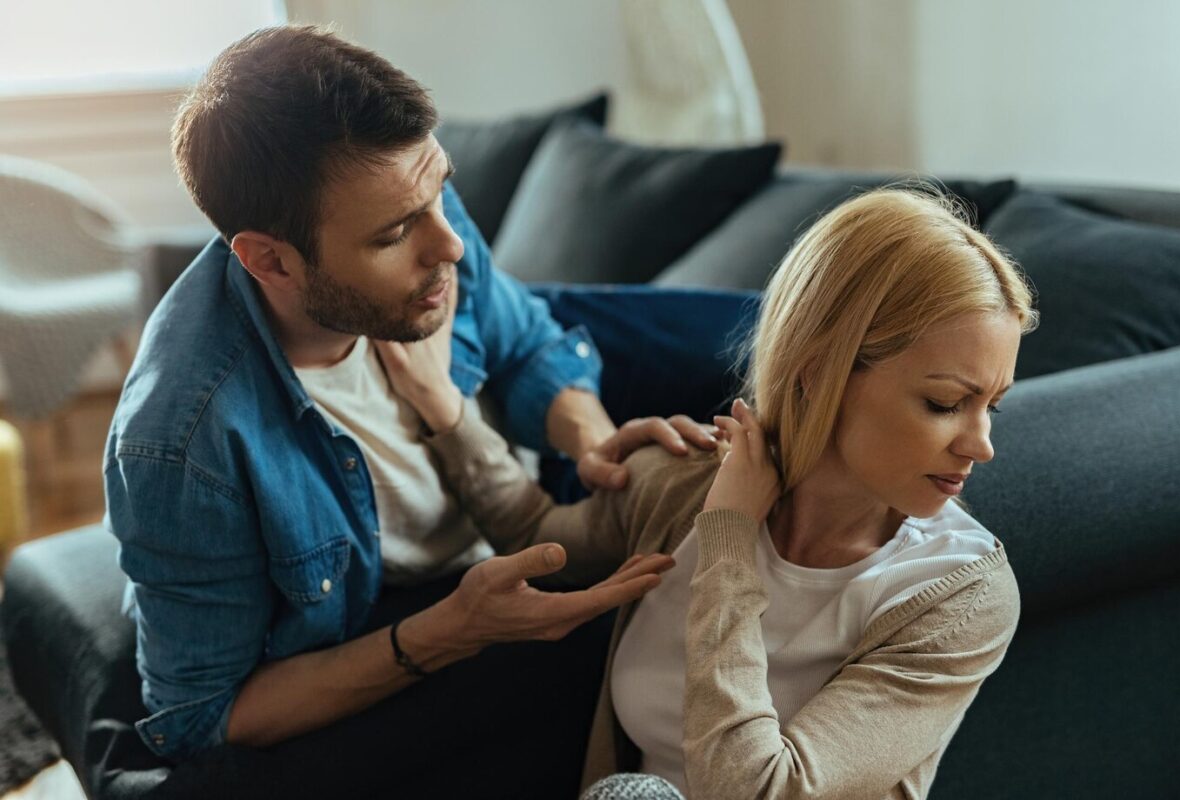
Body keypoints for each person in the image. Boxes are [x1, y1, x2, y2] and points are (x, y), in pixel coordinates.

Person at [104, 25, 714, 794]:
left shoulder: (420, 206)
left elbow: (525, 342)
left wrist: (592, 444)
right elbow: (203, 713)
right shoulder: (183, 443)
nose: (450, 246)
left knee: (788, 333)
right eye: (396, 233)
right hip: (423, 612)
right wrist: (451, 631)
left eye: (440, 195)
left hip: (515, 488)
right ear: (269, 260)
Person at [382, 187, 1039, 799]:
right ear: (819, 376)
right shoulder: (692, 480)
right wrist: (446, 411)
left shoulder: (957, 594)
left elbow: (757, 790)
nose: (980, 444)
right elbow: (539, 538)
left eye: (991, 407)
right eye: (947, 403)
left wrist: (730, 543)